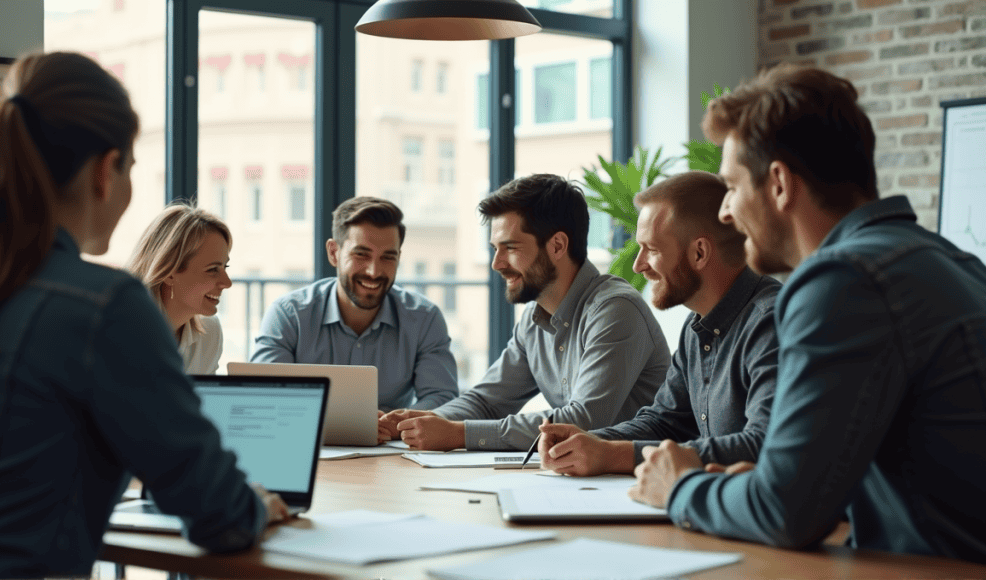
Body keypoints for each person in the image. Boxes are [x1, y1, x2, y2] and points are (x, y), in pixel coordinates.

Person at [629, 64, 986, 564]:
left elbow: (786, 513)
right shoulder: (949, 260)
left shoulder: (842, 280)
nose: (726, 212)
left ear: (778, 184)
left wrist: (680, 486)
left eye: (732, 187)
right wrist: (763, 480)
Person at [0, 52, 288, 578]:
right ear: (104, 171)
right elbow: (216, 512)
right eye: (132, 169)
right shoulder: (101, 305)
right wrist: (254, 506)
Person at [380, 173, 671, 451]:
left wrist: (460, 434)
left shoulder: (615, 310)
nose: (497, 263)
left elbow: (585, 420)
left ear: (557, 245)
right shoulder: (533, 321)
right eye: (495, 248)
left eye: (509, 247)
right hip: (580, 478)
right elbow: (486, 402)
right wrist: (417, 423)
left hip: (633, 482)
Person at [538, 171, 780, 476]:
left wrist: (613, 455)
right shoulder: (697, 328)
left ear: (699, 252)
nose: (639, 266)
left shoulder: (770, 322)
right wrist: (586, 441)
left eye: (651, 249)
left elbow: (762, 444)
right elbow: (664, 421)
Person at [251, 196, 458, 411]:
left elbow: (442, 397)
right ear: (334, 253)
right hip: (310, 442)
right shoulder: (288, 315)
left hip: (393, 442)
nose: (374, 272)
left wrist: (397, 424)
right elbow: (265, 395)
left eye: (388, 257)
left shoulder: (424, 318)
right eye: (361, 255)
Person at [127, 203, 233, 374]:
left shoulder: (209, 332)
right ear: (169, 273)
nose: (227, 283)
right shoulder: (121, 332)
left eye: (225, 268)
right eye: (213, 269)